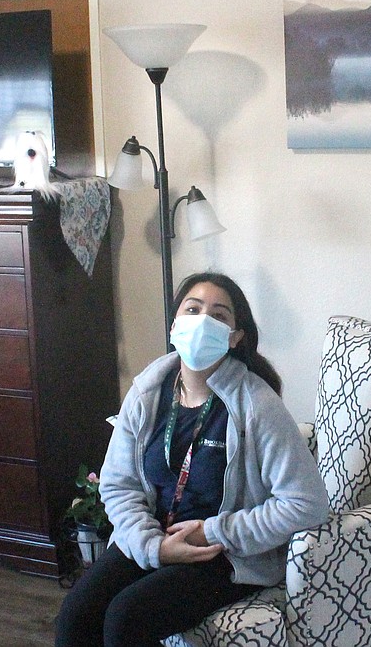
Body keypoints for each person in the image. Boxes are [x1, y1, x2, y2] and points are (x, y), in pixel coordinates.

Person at [55, 272, 329, 647]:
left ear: (235, 337)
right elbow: (119, 484)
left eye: (218, 315)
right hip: (152, 535)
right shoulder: (148, 392)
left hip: (223, 555)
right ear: (174, 325)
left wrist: (211, 531)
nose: (203, 322)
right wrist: (154, 547)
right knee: (74, 619)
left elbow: (307, 504)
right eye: (193, 309)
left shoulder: (257, 405)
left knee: (126, 619)